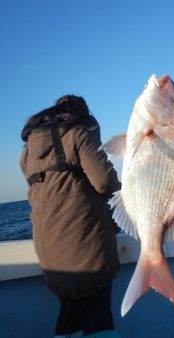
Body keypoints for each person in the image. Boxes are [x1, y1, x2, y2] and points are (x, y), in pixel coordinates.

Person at [20, 95, 121, 338]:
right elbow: (105, 182)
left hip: (48, 247)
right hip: (86, 242)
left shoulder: (28, 150)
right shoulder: (79, 133)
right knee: (98, 309)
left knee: (69, 309)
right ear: (81, 113)